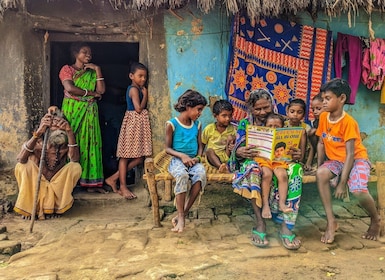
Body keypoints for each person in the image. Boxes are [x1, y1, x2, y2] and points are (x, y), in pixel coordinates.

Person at [229, 89, 303, 250]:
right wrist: (240, 151)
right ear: (251, 109)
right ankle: (260, 223)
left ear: (272, 105)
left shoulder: (283, 121)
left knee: (296, 170)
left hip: (280, 162)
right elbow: (237, 149)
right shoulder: (245, 124)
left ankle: (286, 225)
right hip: (256, 161)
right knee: (254, 170)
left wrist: (296, 153)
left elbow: (294, 147)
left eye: (266, 108)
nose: (262, 112)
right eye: (258, 109)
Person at [315, 78, 380, 243]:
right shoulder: (323, 118)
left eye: (327, 99)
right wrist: (318, 165)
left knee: (358, 189)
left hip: (357, 159)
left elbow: (351, 154)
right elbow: (321, 143)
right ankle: (331, 222)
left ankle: (375, 219)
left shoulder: (348, 122)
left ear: (342, 98)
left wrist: (342, 182)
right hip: (337, 161)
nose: (323, 102)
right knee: (321, 173)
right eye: (322, 99)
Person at [13, 106, 82, 220]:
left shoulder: (64, 146)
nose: (57, 129)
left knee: (75, 167)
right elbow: (21, 159)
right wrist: (39, 131)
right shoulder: (36, 143)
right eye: (53, 125)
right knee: (22, 166)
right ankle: (30, 209)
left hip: (56, 184)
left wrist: (69, 132)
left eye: (60, 126)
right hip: (38, 183)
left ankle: (55, 208)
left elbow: (74, 159)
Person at [59, 42, 105, 193]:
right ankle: (68, 182)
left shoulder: (92, 72)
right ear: (75, 54)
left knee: (90, 144)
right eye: (84, 52)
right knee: (71, 143)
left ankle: (91, 183)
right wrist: (91, 94)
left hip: (90, 112)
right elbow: (70, 88)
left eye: (90, 53)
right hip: (72, 111)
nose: (88, 55)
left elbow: (101, 90)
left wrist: (98, 69)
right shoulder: (67, 69)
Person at [105, 62, 152, 199]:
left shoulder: (136, 88)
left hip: (136, 124)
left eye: (145, 77)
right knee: (125, 156)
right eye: (140, 76)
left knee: (139, 158)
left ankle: (113, 178)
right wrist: (146, 96)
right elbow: (138, 109)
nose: (143, 79)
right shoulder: (133, 90)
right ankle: (123, 186)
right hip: (133, 123)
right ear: (131, 76)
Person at [165, 89, 208, 233]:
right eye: (199, 109)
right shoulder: (172, 124)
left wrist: (198, 158)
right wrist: (182, 156)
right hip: (177, 160)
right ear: (188, 107)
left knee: (201, 175)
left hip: (194, 161)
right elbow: (167, 148)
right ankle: (182, 217)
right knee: (182, 175)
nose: (200, 113)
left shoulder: (198, 125)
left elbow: (201, 146)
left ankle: (182, 213)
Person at [257, 113, 294, 219]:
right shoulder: (261, 135)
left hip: (278, 160)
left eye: (277, 127)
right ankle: (265, 205)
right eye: (270, 126)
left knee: (282, 175)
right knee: (267, 175)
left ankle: (282, 204)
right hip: (264, 159)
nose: (273, 129)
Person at [201, 100, 236, 173]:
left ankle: (226, 165)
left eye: (230, 116)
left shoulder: (232, 129)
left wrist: (233, 143)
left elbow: (236, 144)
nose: (228, 118)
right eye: (224, 116)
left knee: (231, 138)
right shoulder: (209, 129)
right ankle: (221, 167)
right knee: (209, 151)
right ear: (215, 116)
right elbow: (202, 143)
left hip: (227, 156)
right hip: (213, 159)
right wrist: (199, 157)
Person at [284, 98, 308, 164]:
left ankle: (300, 161)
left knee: (302, 132)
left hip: (298, 154)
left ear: (303, 115)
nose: (295, 115)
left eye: (299, 112)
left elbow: (310, 147)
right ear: (287, 112)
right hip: (284, 153)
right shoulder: (283, 125)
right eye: (292, 112)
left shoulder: (306, 128)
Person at [304, 93, 324, 172]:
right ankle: (310, 161)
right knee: (312, 134)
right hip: (317, 148)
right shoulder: (314, 122)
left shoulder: (331, 121)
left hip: (330, 149)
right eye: (313, 109)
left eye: (318, 109)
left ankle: (321, 164)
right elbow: (312, 144)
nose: (315, 112)